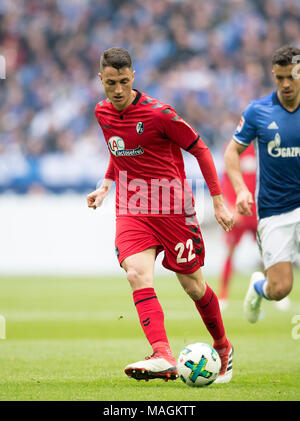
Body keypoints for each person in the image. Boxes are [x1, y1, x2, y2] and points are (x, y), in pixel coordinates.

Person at [87, 47, 234, 383]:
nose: (119, 90)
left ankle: (223, 347)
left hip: (173, 209)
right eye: (112, 83)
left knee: (193, 285)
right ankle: (162, 353)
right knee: (137, 274)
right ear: (101, 79)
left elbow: (200, 148)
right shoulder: (101, 112)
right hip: (133, 208)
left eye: (125, 81)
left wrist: (218, 200)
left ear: (134, 77)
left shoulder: (159, 113)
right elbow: (117, 149)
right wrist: (106, 185)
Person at [224, 45, 300, 324]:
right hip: (274, 210)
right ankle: (259, 287)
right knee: (280, 289)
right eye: (279, 78)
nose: (286, 83)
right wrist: (242, 190)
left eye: (292, 76)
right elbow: (232, 152)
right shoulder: (258, 111)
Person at [218, 143, 257, 310]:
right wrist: (232, 207)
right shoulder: (234, 147)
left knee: (269, 253)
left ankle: (275, 293)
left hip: (258, 212)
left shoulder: (265, 146)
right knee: (230, 251)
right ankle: (223, 293)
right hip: (240, 212)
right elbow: (226, 180)